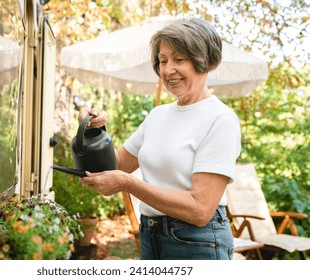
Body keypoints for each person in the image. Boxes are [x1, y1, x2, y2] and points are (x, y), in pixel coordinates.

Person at [78, 17, 241, 260]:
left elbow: (200, 210)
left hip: (196, 242)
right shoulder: (158, 115)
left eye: (179, 59)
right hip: (151, 234)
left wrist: (128, 184)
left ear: (204, 62)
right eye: (162, 61)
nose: (167, 70)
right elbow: (117, 166)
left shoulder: (220, 119)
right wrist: (94, 130)